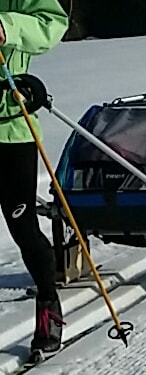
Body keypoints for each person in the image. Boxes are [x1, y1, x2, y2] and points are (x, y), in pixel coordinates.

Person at [0, 1, 69, 354]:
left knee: (22, 225)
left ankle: (48, 305)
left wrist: (6, 27)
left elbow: (54, 24)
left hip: (12, 130)